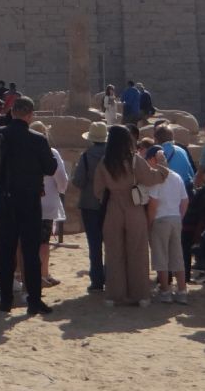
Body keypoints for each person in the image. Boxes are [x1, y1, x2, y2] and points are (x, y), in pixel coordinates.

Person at [0, 97, 58, 315]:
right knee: (30, 252)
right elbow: (50, 168)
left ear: (12, 113)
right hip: (30, 200)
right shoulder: (38, 139)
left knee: (6, 249)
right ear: (30, 115)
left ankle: (6, 299)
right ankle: (34, 300)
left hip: (4, 197)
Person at [92, 124, 165, 306]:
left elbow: (98, 190)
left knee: (113, 252)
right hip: (133, 205)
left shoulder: (104, 162)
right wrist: (163, 167)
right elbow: (150, 178)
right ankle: (140, 295)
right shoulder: (134, 160)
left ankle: (114, 295)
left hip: (113, 207)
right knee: (137, 251)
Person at [143, 145, 189, 304]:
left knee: (161, 256)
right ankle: (182, 290)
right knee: (177, 256)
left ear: (152, 160)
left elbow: (153, 204)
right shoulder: (176, 177)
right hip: (175, 218)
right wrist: (180, 217)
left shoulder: (157, 179)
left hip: (160, 220)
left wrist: (149, 223)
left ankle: (165, 290)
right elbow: (185, 200)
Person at [71, 121, 110, 291]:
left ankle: (96, 280)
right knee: (110, 243)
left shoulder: (86, 156)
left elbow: (78, 181)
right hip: (109, 204)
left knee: (94, 245)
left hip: (89, 204)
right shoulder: (111, 156)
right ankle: (111, 276)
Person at [31, 121, 68, 288]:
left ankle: (24, 273)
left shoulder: (24, 152)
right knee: (43, 242)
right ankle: (43, 274)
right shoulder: (51, 153)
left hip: (27, 200)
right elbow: (61, 178)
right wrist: (61, 190)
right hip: (47, 202)